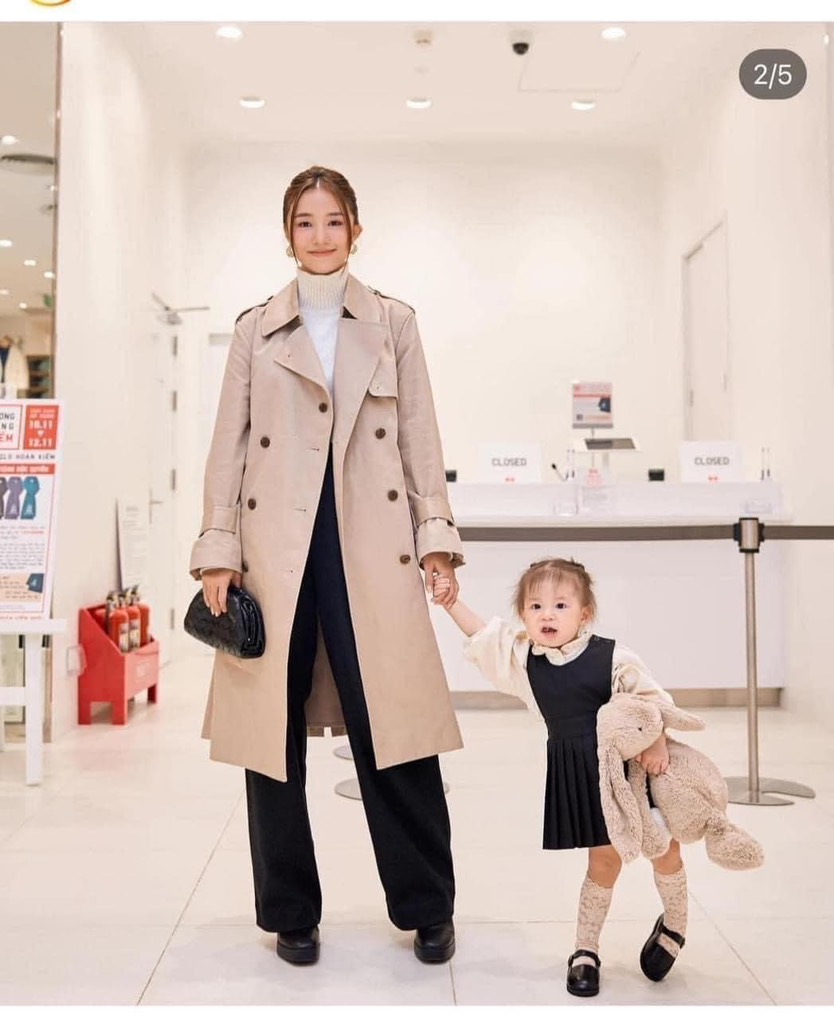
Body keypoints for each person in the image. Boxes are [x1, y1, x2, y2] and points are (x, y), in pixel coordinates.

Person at [190, 166, 464, 966]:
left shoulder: (394, 322)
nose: (319, 235)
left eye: (333, 221)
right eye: (305, 222)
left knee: (395, 729)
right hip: (274, 553)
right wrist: (218, 549)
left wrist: (436, 535)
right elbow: (227, 447)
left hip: (370, 548)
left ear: (356, 231)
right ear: (288, 235)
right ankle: (290, 913)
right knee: (270, 741)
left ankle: (428, 905)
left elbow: (419, 436)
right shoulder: (255, 330)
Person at [433, 558, 688, 997]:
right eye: (535, 606)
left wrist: (657, 742)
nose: (546, 614)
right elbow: (485, 637)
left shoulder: (613, 658)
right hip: (586, 779)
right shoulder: (525, 661)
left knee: (665, 850)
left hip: (632, 772)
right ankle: (585, 949)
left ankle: (676, 924)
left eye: (560, 605)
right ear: (523, 616)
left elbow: (653, 700)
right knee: (602, 862)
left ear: (584, 614)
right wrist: (451, 602)